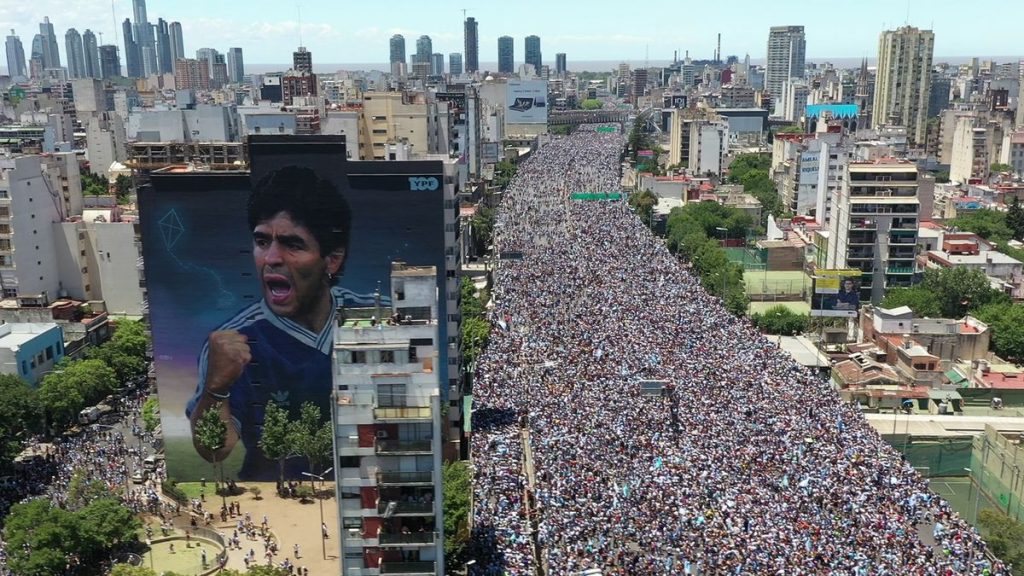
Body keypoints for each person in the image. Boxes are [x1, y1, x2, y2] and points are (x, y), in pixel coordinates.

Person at [186, 166, 352, 480]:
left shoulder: (373, 316)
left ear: (332, 259)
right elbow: (213, 450)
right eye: (262, 242)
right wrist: (216, 389)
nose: (271, 258)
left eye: (293, 244)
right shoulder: (235, 343)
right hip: (280, 495)